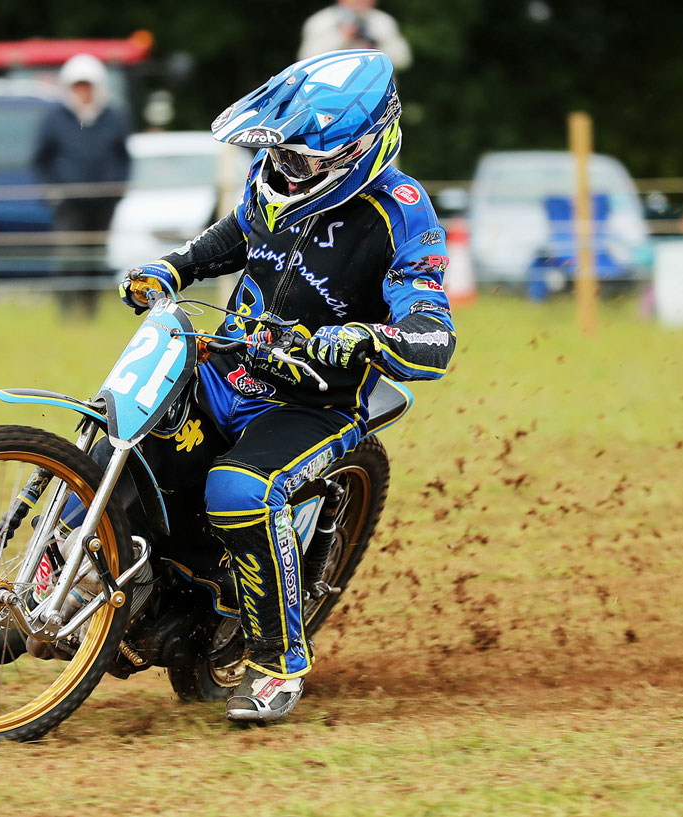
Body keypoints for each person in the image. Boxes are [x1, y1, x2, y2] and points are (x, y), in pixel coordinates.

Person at [117, 49, 455, 722]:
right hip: (228, 367)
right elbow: (240, 233)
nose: (282, 170)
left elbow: (433, 331)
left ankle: (277, 664)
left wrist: (371, 337)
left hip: (314, 403)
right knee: (123, 436)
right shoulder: (272, 175)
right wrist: (174, 266)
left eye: (299, 160)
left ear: (359, 150)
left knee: (238, 490)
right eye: (279, 156)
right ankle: (53, 588)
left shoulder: (402, 215)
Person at [34, 53, 132, 318]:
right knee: (68, 257)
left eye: (87, 86)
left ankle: (90, 311)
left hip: (103, 203)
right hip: (68, 203)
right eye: (78, 86)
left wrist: (117, 190)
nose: (83, 92)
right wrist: (51, 191)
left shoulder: (113, 117)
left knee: (95, 259)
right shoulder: (55, 118)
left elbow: (123, 157)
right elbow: (41, 159)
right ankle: (66, 313)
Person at [298, 0, 412, 71]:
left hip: (376, 90)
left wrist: (375, 49)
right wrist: (342, 37)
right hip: (333, 90)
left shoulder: (383, 22)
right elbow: (306, 60)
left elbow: (403, 60)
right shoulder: (322, 21)